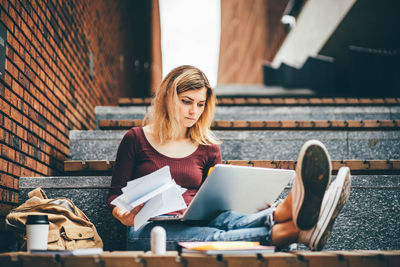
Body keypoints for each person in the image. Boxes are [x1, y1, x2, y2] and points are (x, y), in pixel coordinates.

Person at [107, 65, 351, 251]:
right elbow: (115, 196)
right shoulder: (136, 138)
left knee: (227, 219)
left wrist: (244, 203)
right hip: (148, 230)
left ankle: (291, 213)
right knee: (214, 238)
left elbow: (216, 200)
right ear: (168, 99)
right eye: (186, 102)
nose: (194, 111)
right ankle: (299, 228)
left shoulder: (208, 147)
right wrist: (123, 214)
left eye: (201, 104)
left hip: (197, 220)